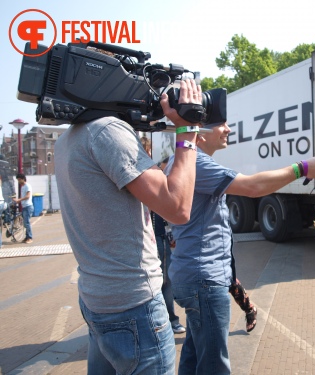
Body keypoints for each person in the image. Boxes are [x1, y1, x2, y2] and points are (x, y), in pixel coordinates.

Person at [54, 79, 201, 375]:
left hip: (97, 301)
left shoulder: (67, 139)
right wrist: (188, 129)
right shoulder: (107, 130)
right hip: (134, 306)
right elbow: (177, 207)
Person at [166, 123, 315, 375]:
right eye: (220, 123)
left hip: (194, 275)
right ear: (199, 132)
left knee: (194, 355)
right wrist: (302, 168)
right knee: (213, 367)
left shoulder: (183, 162)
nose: (228, 128)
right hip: (204, 280)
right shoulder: (197, 163)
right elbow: (253, 187)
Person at [140, 141, 187, 335]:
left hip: (158, 235)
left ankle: (169, 319)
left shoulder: (156, 171)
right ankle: (165, 320)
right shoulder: (140, 174)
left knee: (165, 280)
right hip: (146, 238)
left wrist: (170, 233)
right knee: (156, 281)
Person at [12, 173, 34, 244]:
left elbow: (28, 196)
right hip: (25, 207)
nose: (18, 181)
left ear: (23, 179)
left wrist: (19, 200)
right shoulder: (23, 187)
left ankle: (30, 237)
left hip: (28, 206)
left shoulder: (27, 186)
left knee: (27, 223)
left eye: (19, 179)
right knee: (25, 223)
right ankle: (27, 237)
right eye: (18, 180)